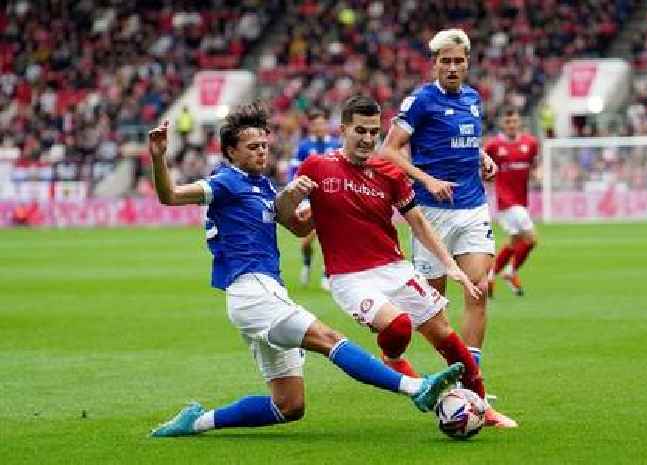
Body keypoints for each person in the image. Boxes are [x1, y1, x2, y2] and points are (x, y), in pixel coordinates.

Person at [146, 103, 463, 437]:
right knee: (329, 339)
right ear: (230, 152)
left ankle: (195, 422)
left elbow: (298, 228)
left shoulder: (265, 187)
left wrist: (326, 198)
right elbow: (171, 195)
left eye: (265, 146)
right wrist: (158, 157)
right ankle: (416, 387)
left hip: (265, 292)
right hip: (251, 290)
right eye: (252, 148)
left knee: (288, 405)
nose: (261, 153)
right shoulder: (225, 182)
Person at [296, 95, 516, 428]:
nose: (368, 139)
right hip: (349, 277)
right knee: (398, 326)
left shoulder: (389, 171)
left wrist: (450, 265)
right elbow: (293, 219)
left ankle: (482, 406)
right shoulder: (316, 166)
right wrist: (290, 205)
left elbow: (418, 222)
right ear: (342, 129)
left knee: (444, 332)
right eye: (360, 130)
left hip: (394, 268)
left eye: (373, 131)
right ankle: (396, 362)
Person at [378, 29, 498, 378]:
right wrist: (426, 179)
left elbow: (466, 140)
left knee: (478, 289)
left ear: (467, 63)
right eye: (445, 61)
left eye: (458, 61)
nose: (452, 66)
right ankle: (396, 352)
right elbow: (388, 150)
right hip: (432, 213)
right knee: (433, 305)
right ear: (434, 65)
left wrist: (483, 156)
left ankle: (470, 377)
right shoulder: (421, 102)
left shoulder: (474, 99)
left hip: (473, 206)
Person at [484, 107, 539, 297]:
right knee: (531, 239)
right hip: (505, 202)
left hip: (521, 201)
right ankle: (510, 271)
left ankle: (491, 275)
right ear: (502, 124)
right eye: (508, 122)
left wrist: (536, 174)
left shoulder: (530, 143)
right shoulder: (493, 146)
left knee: (514, 242)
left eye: (514, 121)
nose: (511, 125)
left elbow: (533, 165)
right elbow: (482, 167)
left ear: (519, 123)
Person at [287, 109, 342, 290]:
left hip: (331, 198)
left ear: (327, 125)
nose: (319, 127)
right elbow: (293, 172)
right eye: (315, 124)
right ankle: (307, 263)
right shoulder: (303, 147)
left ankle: (327, 274)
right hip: (308, 199)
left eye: (322, 123)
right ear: (311, 127)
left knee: (330, 236)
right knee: (306, 241)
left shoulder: (336, 144)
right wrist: (293, 192)